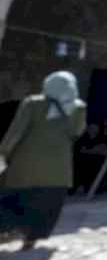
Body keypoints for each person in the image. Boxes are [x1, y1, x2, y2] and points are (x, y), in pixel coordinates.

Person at [0, 71, 87, 250]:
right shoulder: (78, 107)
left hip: (25, 165)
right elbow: (77, 132)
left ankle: (6, 231)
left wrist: (4, 151)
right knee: (46, 204)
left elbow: (16, 132)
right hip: (59, 170)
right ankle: (31, 239)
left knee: (14, 198)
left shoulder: (33, 103)